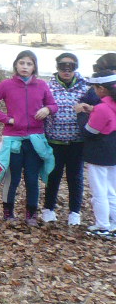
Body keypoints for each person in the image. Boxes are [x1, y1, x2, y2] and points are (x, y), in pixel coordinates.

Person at [0, 50, 57, 225]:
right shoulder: (6, 85)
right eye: (22, 63)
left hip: (35, 140)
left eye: (29, 64)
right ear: (16, 65)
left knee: (32, 178)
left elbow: (53, 105)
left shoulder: (42, 85)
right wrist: (7, 119)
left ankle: (31, 214)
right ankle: (8, 213)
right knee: (12, 178)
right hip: (13, 139)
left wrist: (47, 109)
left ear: (34, 67)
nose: (25, 67)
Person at [42, 52, 92, 226]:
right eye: (63, 66)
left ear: (76, 68)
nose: (66, 70)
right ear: (57, 67)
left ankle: (75, 212)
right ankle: (48, 209)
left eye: (71, 66)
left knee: (75, 177)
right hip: (54, 141)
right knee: (53, 175)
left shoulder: (86, 87)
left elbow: (100, 106)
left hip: (77, 141)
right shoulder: (48, 87)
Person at [82, 53, 116, 240]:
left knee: (99, 191)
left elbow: (89, 131)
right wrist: (92, 110)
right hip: (113, 153)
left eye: (95, 88)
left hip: (99, 154)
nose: (94, 91)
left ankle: (102, 225)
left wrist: (82, 114)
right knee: (112, 190)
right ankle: (114, 223)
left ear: (102, 89)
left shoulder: (102, 108)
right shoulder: (110, 105)